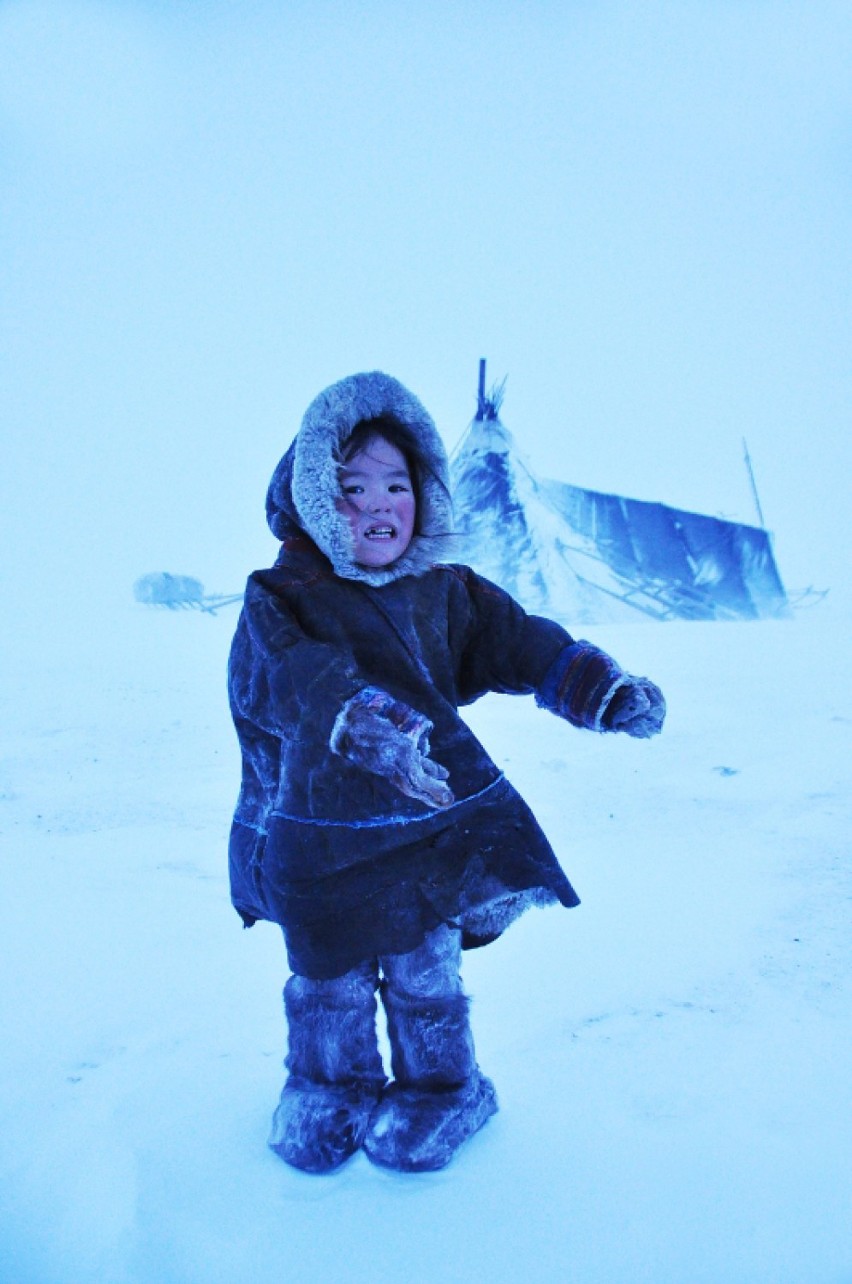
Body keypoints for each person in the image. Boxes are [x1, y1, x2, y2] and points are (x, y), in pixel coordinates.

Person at [228, 371, 665, 1175]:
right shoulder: (282, 595)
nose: (380, 503)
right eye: (353, 486)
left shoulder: (443, 590)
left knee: (425, 970)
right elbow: (284, 677)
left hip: (431, 829)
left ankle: (444, 1091)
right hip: (321, 838)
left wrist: (593, 686)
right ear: (315, 497)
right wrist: (358, 721)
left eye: (398, 483)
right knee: (328, 977)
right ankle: (331, 1087)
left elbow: (517, 639)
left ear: (425, 491)